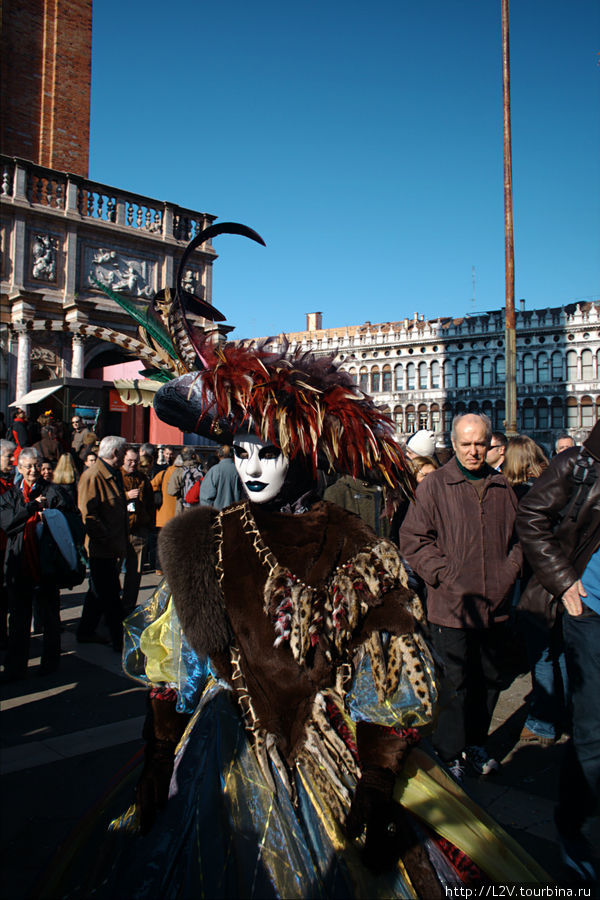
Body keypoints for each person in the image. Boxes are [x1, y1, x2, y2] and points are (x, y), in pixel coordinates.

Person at [400, 413, 522, 780]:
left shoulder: (502, 487)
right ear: (453, 445)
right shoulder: (435, 486)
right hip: (451, 607)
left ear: (489, 445)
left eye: (480, 444)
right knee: (454, 683)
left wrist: (508, 572)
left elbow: (519, 541)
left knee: (488, 680)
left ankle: (476, 743)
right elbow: (413, 540)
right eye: (466, 444)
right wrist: (445, 575)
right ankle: (450, 751)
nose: (473, 451)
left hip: (494, 607)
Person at [517, 422, 600, 884]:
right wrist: (564, 579)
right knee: (592, 731)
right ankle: (575, 832)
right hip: (591, 614)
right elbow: (530, 517)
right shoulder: (579, 465)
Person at [504, 437, 567, 745]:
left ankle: (543, 719)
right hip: (560, 582)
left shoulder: (520, 497)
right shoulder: (557, 488)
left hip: (534, 584)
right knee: (559, 650)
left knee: (541, 654)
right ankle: (563, 711)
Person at [0, 447, 71, 679]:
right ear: (19, 468)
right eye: (27, 466)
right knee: (19, 621)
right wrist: (30, 509)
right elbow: (7, 523)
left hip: (46, 564)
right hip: (20, 565)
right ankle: (15, 668)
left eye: (35, 465)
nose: (32, 470)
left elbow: (69, 518)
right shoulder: (11, 495)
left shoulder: (53, 492)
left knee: (50, 618)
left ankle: (50, 665)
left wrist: (50, 517)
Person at [77, 436, 128, 650]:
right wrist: (106, 538)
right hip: (102, 548)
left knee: (98, 592)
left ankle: (86, 630)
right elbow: (88, 515)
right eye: (124, 453)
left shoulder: (112, 474)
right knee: (110, 595)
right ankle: (118, 640)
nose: (125, 457)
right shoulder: (93, 476)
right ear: (115, 453)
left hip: (112, 545)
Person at [121, 447, 155, 614]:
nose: (133, 464)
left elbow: (150, 503)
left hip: (139, 529)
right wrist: (127, 496)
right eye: (130, 461)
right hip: (121, 530)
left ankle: (128, 606)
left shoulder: (142, 478)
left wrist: (149, 525)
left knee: (135, 573)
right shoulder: (116, 476)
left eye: (136, 461)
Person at [198, 444, 242, 510]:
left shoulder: (214, 470)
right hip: (236, 513)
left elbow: (206, 497)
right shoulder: (239, 471)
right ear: (233, 455)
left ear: (218, 455)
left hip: (218, 514)